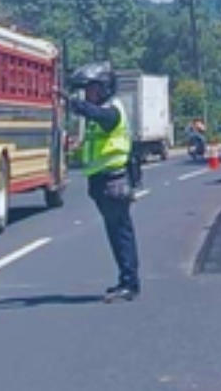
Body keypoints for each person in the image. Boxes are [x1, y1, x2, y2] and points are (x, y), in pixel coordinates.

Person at [62, 61, 140, 303]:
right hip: (101, 181)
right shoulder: (97, 115)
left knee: (121, 233)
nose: (88, 93)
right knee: (115, 233)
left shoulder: (112, 111)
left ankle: (129, 282)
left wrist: (76, 104)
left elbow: (100, 115)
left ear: (105, 87)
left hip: (114, 180)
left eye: (92, 88)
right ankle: (125, 280)